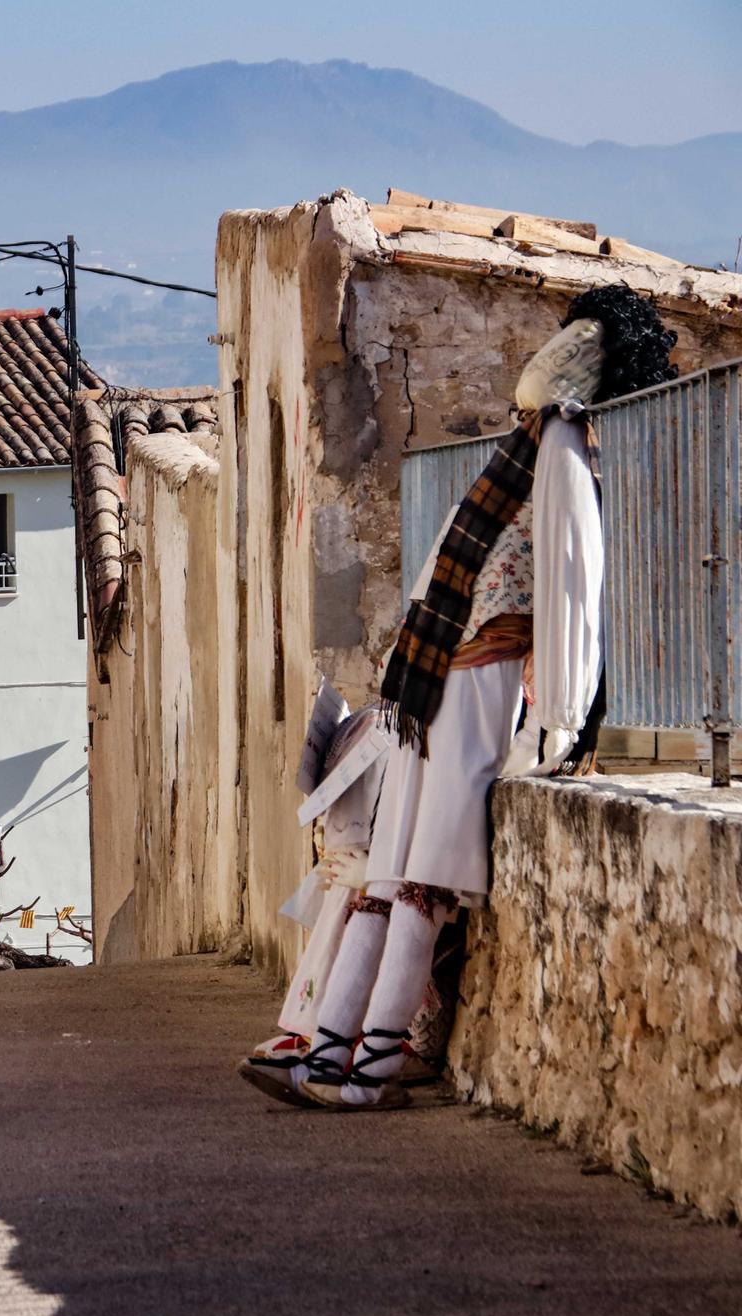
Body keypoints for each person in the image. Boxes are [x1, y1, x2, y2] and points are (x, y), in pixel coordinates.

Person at [260, 285, 676, 1112]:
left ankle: (329, 1052)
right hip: (480, 675)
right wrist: (562, 715)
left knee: (394, 870)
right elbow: (569, 579)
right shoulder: (563, 442)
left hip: (431, 672)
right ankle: (368, 1071)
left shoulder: (517, 446)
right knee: (431, 874)